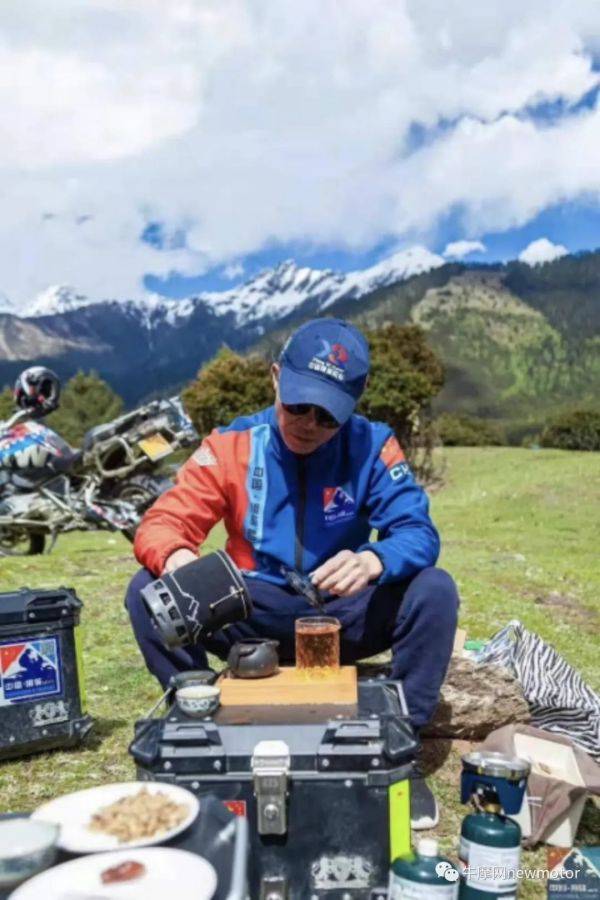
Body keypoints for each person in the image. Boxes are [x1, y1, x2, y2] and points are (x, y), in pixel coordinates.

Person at [125, 317, 459, 828]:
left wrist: (375, 560)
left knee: (434, 589)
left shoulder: (374, 446)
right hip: (248, 617)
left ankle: (398, 753)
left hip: (339, 617)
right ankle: (193, 726)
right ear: (276, 377)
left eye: (327, 415)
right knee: (148, 588)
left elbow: (418, 532)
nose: (307, 422)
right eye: (297, 404)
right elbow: (162, 521)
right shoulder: (231, 445)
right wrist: (179, 561)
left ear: (353, 405)